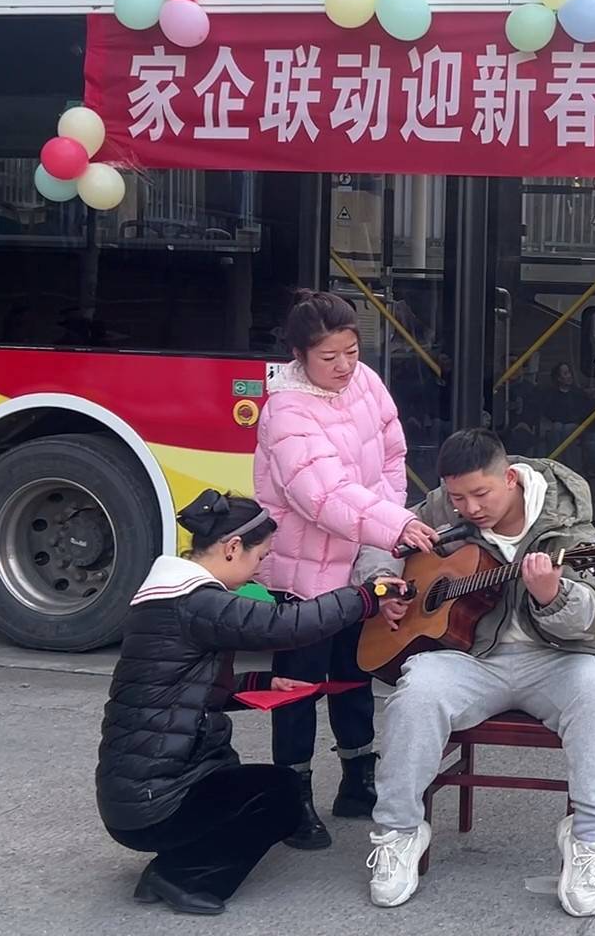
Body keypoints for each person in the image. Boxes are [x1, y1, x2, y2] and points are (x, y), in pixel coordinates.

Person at [95, 489, 412, 916]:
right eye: (260, 557)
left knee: (243, 781)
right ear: (232, 548)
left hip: (133, 799)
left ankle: (175, 862)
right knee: (280, 794)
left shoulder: (163, 599)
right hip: (154, 804)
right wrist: (368, 597)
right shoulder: (198, 602)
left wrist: (263, 683)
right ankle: (183, 876)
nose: (259, 570)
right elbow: (287, 625)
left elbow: (180, 688)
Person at [357, 428, 595, 917]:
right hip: (469, 660)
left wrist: (553, 595)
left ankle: (589, 842)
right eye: (458, 498)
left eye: (481, 494)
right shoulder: (444, 506)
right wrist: (382, 585)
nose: (470, 508)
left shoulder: (568, 523)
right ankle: (400, 832)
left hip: (556, 658)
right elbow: (383, 537)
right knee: (417, 691)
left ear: (509, 478)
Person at [252, 290, 435, 851]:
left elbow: (391, 459)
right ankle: (292, 801)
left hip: (361, 562)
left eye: (352, 352)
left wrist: (384, 532)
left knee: (355, 674)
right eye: (329, 357)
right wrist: (393, 525)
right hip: (306, 574)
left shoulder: (365, 383)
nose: (344, 366)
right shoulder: (286, 411)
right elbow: (321, 495)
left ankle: (357, 781)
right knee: (298, 687)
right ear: (299, 355)